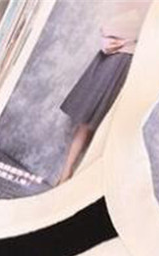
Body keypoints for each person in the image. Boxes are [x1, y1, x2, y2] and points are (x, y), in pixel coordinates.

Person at [56, 2, 148, 184]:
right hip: (115, 65)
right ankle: (67, 174)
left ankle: (70, 176)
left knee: (101, 128)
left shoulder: (149, 11)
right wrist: (118, 39)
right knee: (89, 124)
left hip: (124, 66)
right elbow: (109, 26)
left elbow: (115, 27)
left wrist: (121, 39)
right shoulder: (138, 10)